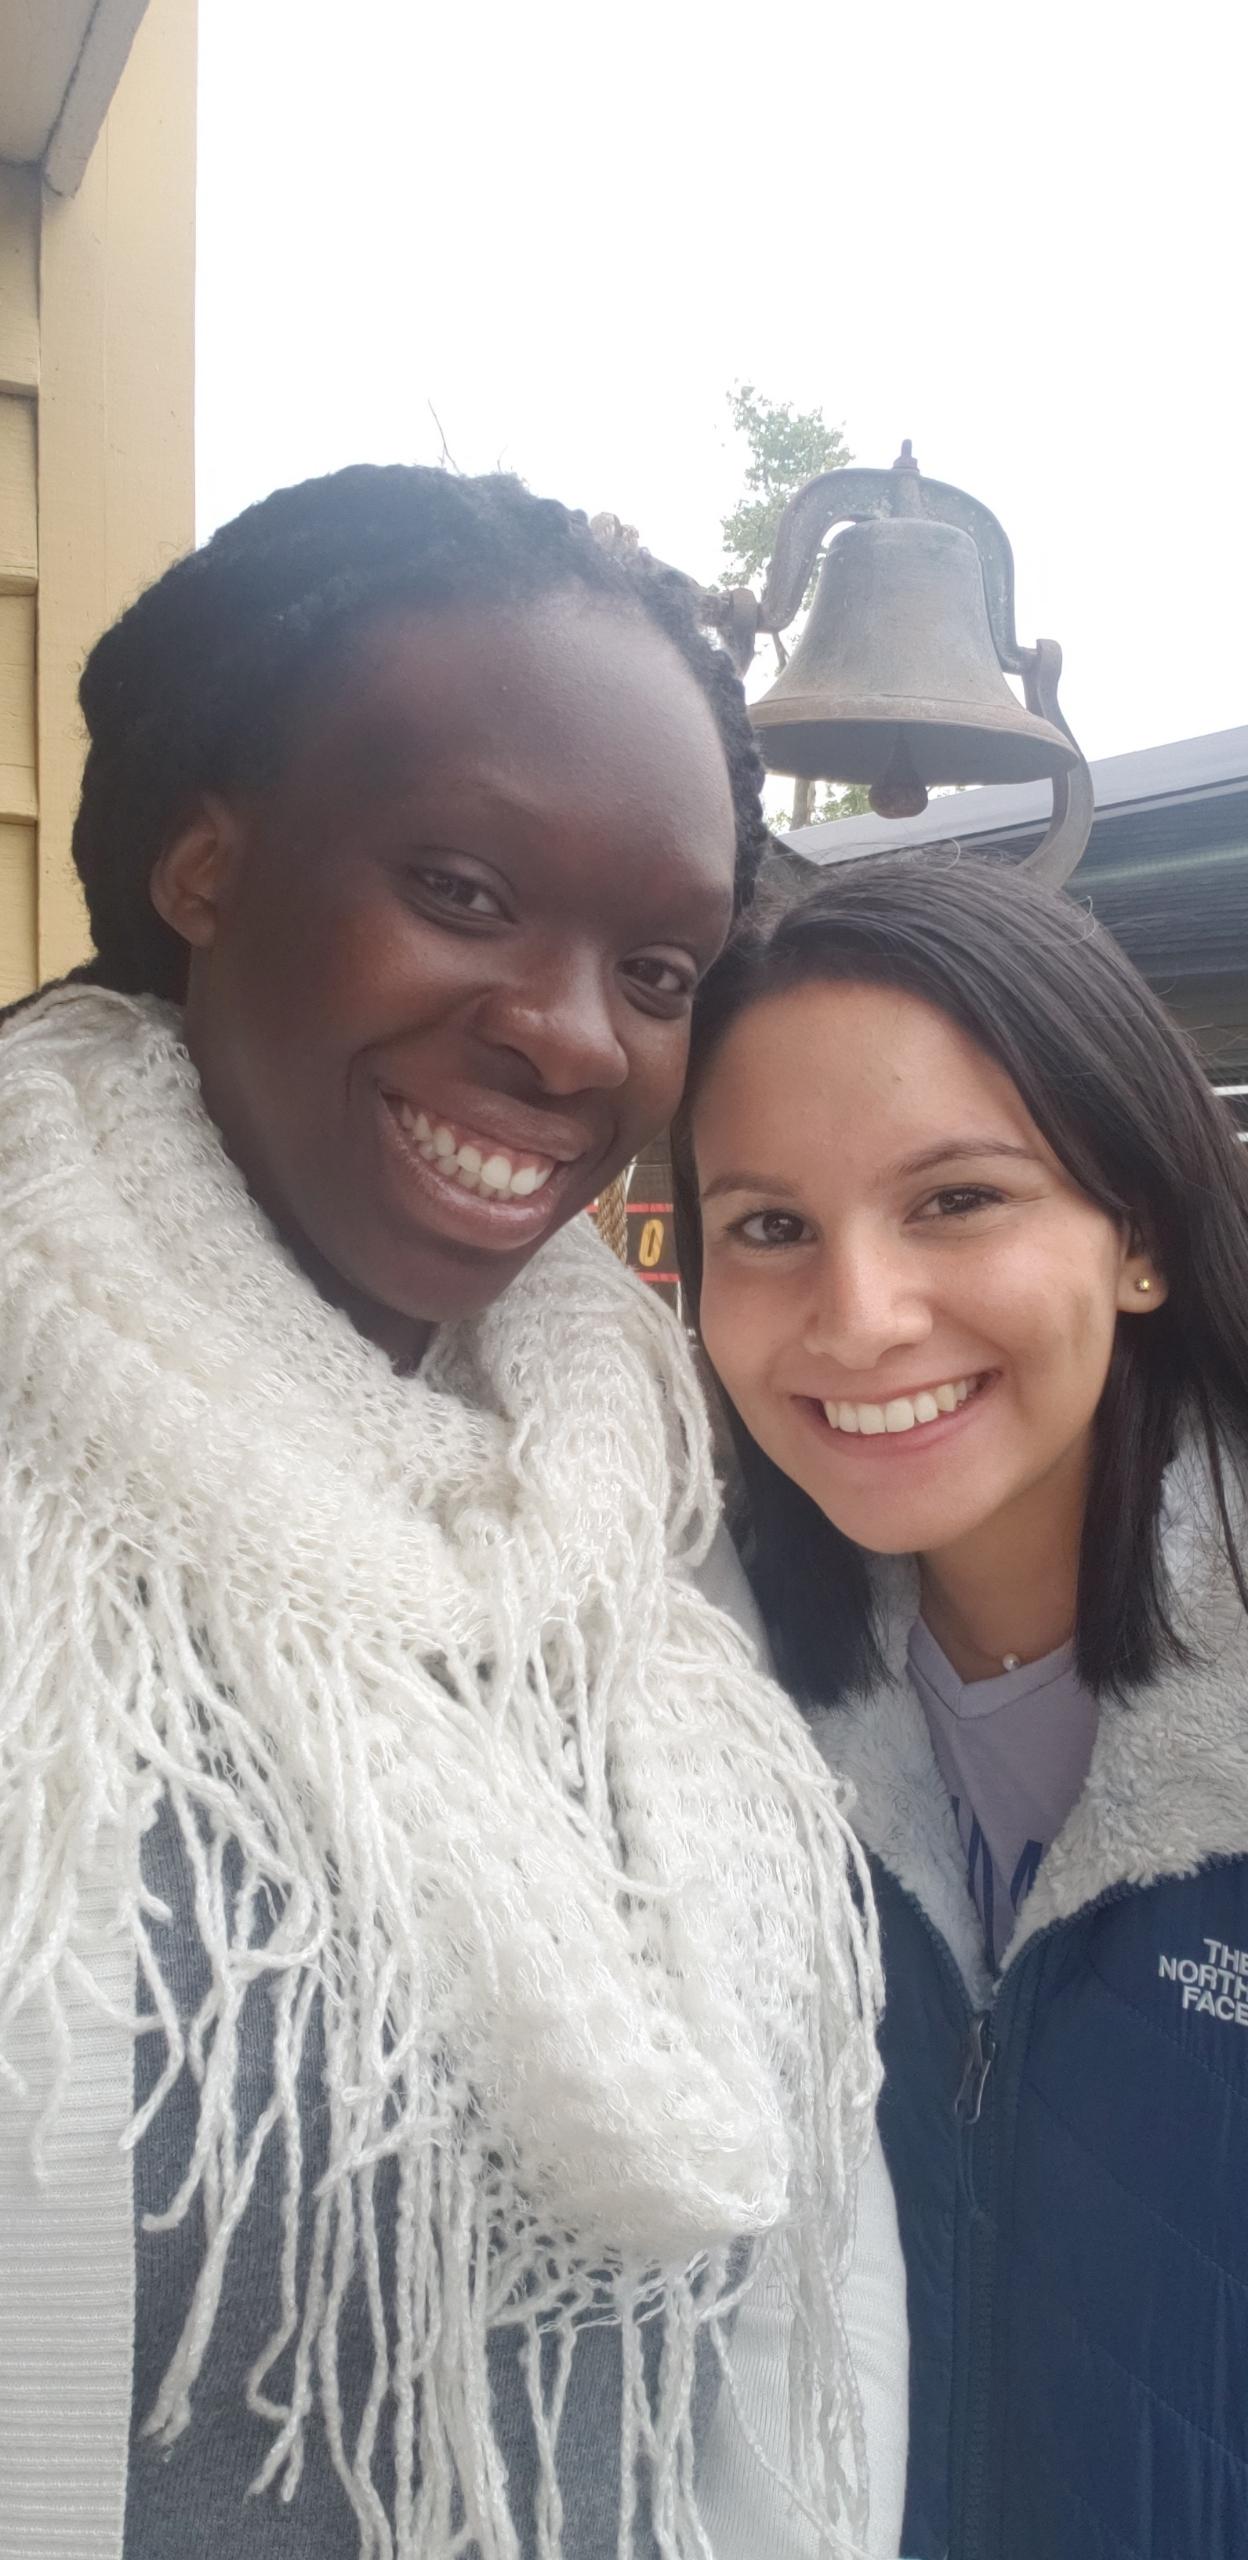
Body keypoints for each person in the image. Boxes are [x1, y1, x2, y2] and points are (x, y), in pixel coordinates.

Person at [0, 464, 904, 2560]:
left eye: (661, 966)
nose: (571, 1033)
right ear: (206, 864)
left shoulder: (650, 1490)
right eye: (467, 890)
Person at [677, 848, 1248, 2560]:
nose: (858, 1319)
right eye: (769, 1227)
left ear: (1136, 1234)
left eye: (957, 1201)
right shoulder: (684, 1724)